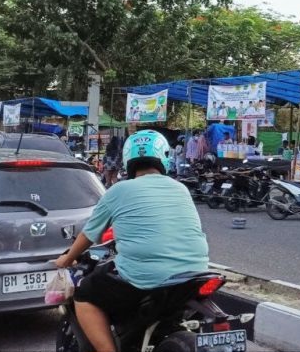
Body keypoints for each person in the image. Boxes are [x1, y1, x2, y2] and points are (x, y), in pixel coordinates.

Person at [54, 130, 209, 352]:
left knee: (85, 294)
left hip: (146, 276)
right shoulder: (180, 188)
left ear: (128, 160)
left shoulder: (119, 190)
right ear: (163, 157)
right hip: (196, 270)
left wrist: (68, 259)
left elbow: (89, 234)